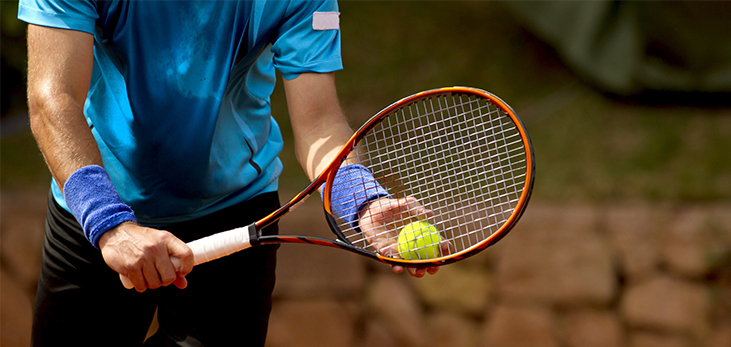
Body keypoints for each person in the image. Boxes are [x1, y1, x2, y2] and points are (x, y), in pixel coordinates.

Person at [19, 0, 438, 346]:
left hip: (235, 216)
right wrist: (110, 224)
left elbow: (320, 125)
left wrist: (361, 199)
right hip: (94, 214)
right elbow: (51, 98)